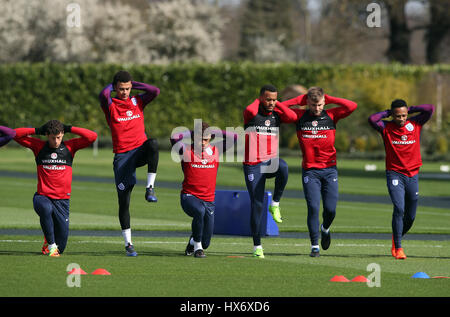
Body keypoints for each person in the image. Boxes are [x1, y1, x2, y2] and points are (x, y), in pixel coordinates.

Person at [281, 87, 357, 257]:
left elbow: (352, 105)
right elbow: (280, 107)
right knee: (313, 207)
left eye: (321, 105)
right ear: (307, 103)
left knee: (330, 210)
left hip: (330, 170)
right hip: (310, 171)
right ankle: (314, 246)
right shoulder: (299, 117)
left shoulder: (331, 115)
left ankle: (325, 228)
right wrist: (299, 99)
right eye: (314, 105)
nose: (317, 108)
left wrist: (329, 98)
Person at [13, 120, 97, 257]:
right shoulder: (39, 147)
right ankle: (51, 246)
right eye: (53, 138)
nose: (56, 141)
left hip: (62, 201)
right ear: (47, 135)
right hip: (42, 196)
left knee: (62, 247)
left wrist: (69, 128)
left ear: (62, 134)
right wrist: (37, 130)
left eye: (59, 137)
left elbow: (92, 136)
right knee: (45, 209)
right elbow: (15, 134)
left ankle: (50, 241)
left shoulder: (70, 147)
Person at [99, 70, 160, 256]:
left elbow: (154, 90)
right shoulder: (111, 105)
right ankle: (129, 244)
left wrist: (134, 83)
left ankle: (150, 187)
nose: (124, 92)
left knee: (153, 144)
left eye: (127, 88)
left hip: (139, 151)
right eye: (121, 89)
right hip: (123, 158)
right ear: (115, 88)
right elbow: (103, 94)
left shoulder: (137, 101)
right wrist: (112, 84)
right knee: (124, 202)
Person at [368, 100, 434, 260]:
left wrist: (410, 109)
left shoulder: (415, 123)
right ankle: (398, 247)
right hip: (395, 174)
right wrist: (388, 113)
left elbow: (429, 108)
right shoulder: (386, 127)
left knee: (410, 217)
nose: (402, 118)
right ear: (393, 115)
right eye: (398, 116)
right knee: (399, 208)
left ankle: (395, 237)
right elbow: (372, 119)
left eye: (404, 115)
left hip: (413, 174)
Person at [243, 84, 297, 258]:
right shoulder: (252, 114)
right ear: (260, 98)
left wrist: (277, 103)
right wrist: (259, 100)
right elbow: (249, 110)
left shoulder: (276, 115)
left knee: (283, 166)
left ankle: (275, 203)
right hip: (253, 165)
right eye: (268, 99)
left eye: (274, 99)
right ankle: (257, 246)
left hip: (269, 162)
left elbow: (293, 116)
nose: (272, 103)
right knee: (257, 205)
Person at [171, 121, 238, 258]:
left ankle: (193, 242)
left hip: (208, 200)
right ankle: (197, 249)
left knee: (206, 242)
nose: (202, 142)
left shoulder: (216, 150)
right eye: (199, 139)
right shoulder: (186, 150)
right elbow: (174, 137)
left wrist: (213, 132)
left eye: (206, 139)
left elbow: (234, 137)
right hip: (189, 197)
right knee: (199, 211)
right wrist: (192, 131)